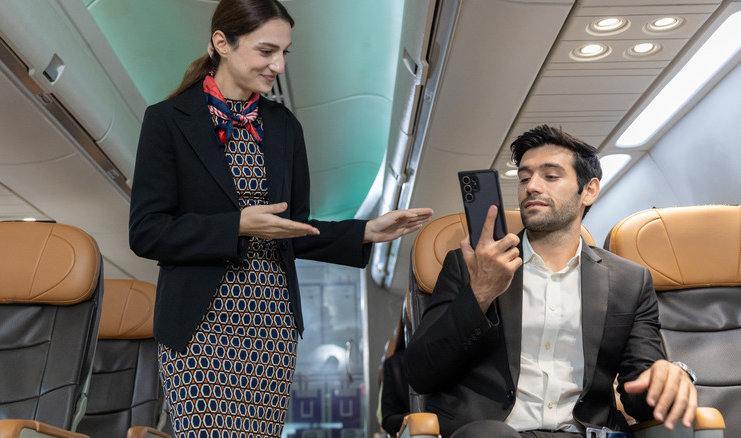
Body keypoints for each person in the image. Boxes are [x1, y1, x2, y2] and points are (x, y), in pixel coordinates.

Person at [128, 1, 433, 436]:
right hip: (199, 325)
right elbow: (146, 232)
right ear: (222, 43)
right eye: (266, 51)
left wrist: (367, 230)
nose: (278, 65)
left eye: (285, 53)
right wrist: (236, 226)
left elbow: (294, 229)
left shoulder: (283, 126)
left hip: (270, 321)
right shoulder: (167, 121)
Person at [404, 125, 697, 438]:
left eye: (550, 176)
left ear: (589, 190)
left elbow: (639, 396)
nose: (532, 186)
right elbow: (421, 374)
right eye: (524, 177)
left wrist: (668, 378)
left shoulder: (630, 281)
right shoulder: (469, 266)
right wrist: (480, 292)